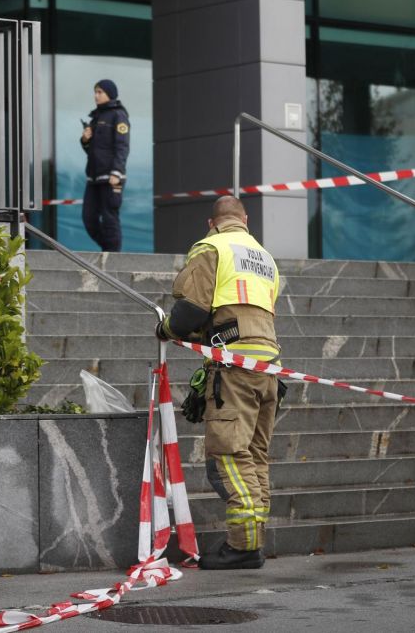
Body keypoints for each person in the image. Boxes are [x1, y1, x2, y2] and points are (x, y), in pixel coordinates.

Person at [155, 196, 282, 570]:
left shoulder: (212, 247)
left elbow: (191, 311)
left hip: (234, 369)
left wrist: (165, 328)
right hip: (269, 367)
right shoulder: (265, 258)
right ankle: (252, 543)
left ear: (212, 222)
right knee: (255, 457)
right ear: (245, 219)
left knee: (228, 455)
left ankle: (242, 548)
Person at [80, 79, 130, 252]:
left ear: (110, 93)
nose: (96, 95)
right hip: (93, 178)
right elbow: (93, 151)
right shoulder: (96, 116)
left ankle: (113, 258)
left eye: (100, 92)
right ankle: (108, 250)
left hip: (111, 178)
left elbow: (122, 146)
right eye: (95, 92)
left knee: (110, 220)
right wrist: (85, 140)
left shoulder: (119, 115)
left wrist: (116, 172)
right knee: (88, 220)